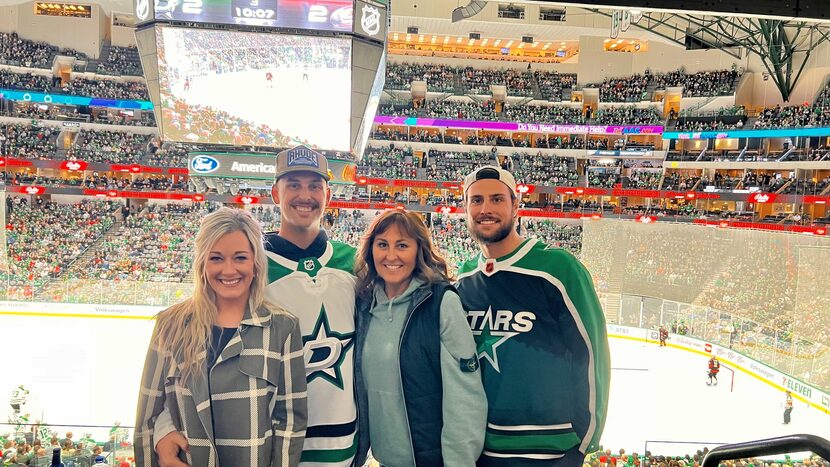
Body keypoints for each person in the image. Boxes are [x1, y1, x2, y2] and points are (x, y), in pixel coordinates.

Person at [455, 165, 610, 466]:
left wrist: (584, 440)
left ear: (516, 205)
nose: (486, 209)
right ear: (466, 208)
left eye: (497, 199)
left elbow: (591, 353)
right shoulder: (464, 278)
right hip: (479, 450)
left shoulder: (557, 269)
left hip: (549, 451)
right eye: (477, 200)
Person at [134, 207, 308, 467]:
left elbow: (290, 423)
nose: (229, 270)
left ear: (255, 263)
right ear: (202, 261)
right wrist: (161, 441)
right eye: (216, 258)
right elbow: (148, 415)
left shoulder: (282, 328)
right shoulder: (170, 325)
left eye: (240, 258)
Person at [353, 209, 487, 466]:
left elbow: (466, 395)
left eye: (402, 245)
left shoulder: (441, 303)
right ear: (371, 250)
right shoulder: (365, 306)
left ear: (419, 250)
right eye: (382, 244)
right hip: (384, 460)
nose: (391, 255)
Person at [263, 145, 366, 466]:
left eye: (314, 185)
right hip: (273, 442)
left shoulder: (354, 261)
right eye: (293, 184)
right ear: (274, 193)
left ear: (328, 195)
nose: (304, 195)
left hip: (344, 441)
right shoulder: (249, 265)